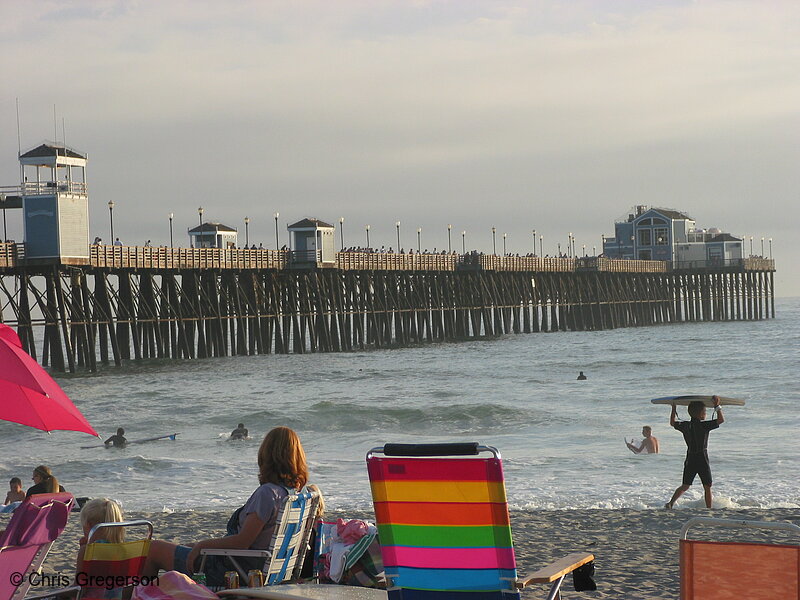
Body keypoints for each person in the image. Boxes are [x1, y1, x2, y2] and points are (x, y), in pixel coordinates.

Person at [144, 426, 309, 585]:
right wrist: (198, 546)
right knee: (183, 547)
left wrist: (202, 545)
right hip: (265, 569)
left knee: (153, 549)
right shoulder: (294, 495)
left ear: (267, 455)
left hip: (235, 571)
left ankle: (136, 595)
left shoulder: (267, 494)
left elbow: (242, 542)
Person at [665, 397, 724, 509]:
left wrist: (674, 408)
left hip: (690, 458)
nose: (706, 414)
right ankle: (709, 509)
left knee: (685, 485)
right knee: (707, 486)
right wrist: (717, 406)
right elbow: (721, 420)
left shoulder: (685, 425)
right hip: (702, 458)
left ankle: (670, 503)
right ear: (701, 414)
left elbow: (672, 423)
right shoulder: (704, 425)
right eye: (705, 411)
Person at [76, 498, 125, 572]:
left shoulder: (86, 551)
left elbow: (78, 581)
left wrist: (84, 549)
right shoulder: (124, 550)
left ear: (88, 525)